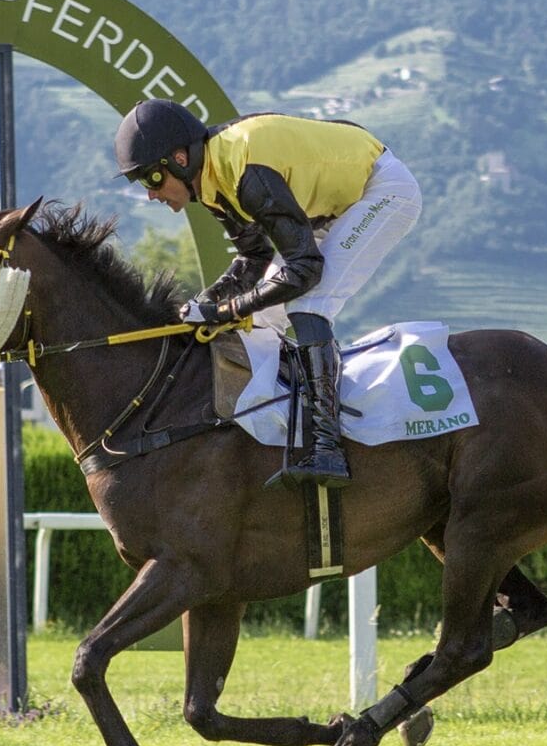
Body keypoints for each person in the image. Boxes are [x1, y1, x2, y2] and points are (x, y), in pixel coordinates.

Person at [113, 99, 422, 488]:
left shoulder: (246, 175)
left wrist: (227, 309)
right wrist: (203, 306)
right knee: (261, 319)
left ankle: (328, 448)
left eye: (151, 180)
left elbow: (304, 270)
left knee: (308, 305)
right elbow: (253, 257)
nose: (151, 195)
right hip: (329, 207)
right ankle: (283, 427)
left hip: (381, 191)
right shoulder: (210, 179)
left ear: (178, 158)